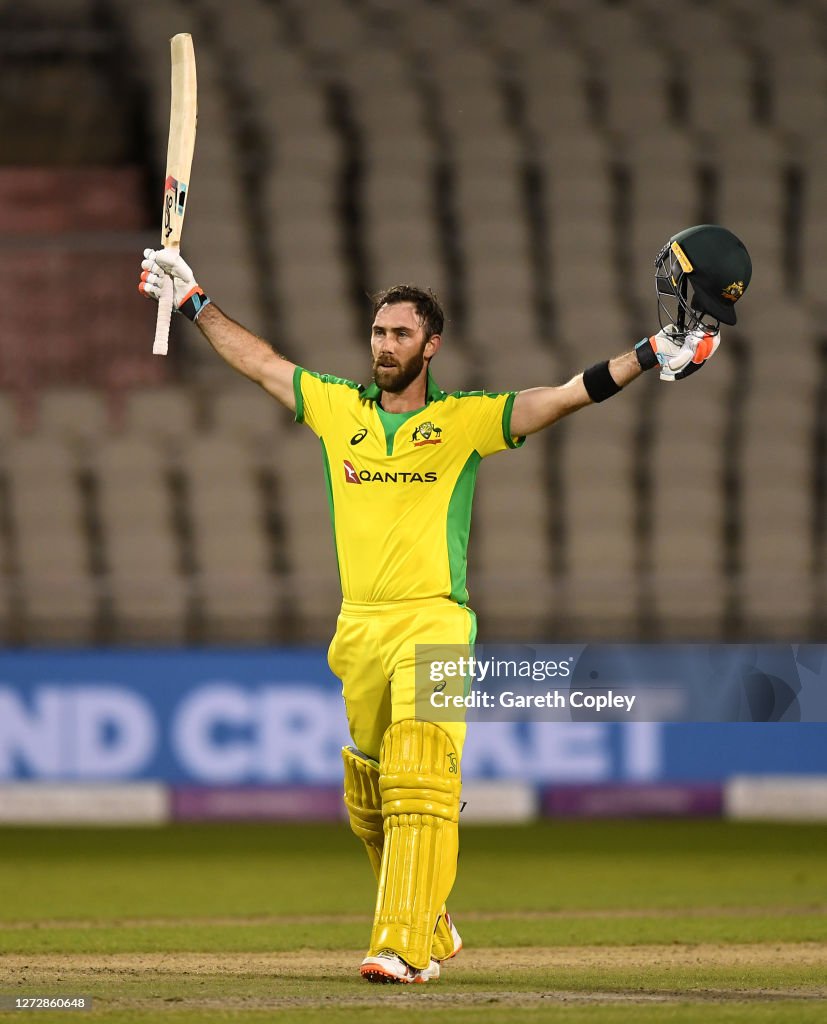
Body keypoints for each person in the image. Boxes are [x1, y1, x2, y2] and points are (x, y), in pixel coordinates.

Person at [137, 222, 749, 983]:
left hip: (434, 619)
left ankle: (403, 947)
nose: (383, 344)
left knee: (419, 774)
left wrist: (646, 354)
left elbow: (556, 398)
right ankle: (431, 918)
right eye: (377, 331)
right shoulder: (338, 411)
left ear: (430, 347)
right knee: (367, 793)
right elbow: (260, 362)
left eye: (400, 333)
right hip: (357, 626)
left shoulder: (459, 423)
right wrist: (192, 299)